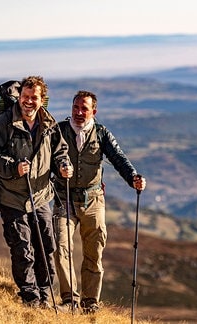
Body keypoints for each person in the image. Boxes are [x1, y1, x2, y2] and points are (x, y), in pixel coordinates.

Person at [0, 76, 73, 309]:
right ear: (19, 97)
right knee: (22, 247)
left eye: (34, 98)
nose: (28, 102)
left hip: (41, 196)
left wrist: (63, 164)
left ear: (43, 100)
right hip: (12, 197)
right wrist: (13, 167)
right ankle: (30, 297)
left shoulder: (49, 124)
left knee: (45, 245)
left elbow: (59, 151)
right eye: (25, 97)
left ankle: (46, 293)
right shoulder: (3, 123)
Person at [52, 90, 146, 314]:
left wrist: (133, 177)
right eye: (76, 107)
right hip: (63, 198)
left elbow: (118, 157)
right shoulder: (59, 131)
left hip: (93, 200)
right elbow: (47, 156)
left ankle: (90, 302)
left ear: (94, 111)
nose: (79, 112)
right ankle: (69, 300)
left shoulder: (101, 133)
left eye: (84, 108)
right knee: (60, 248)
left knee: (94, 251)